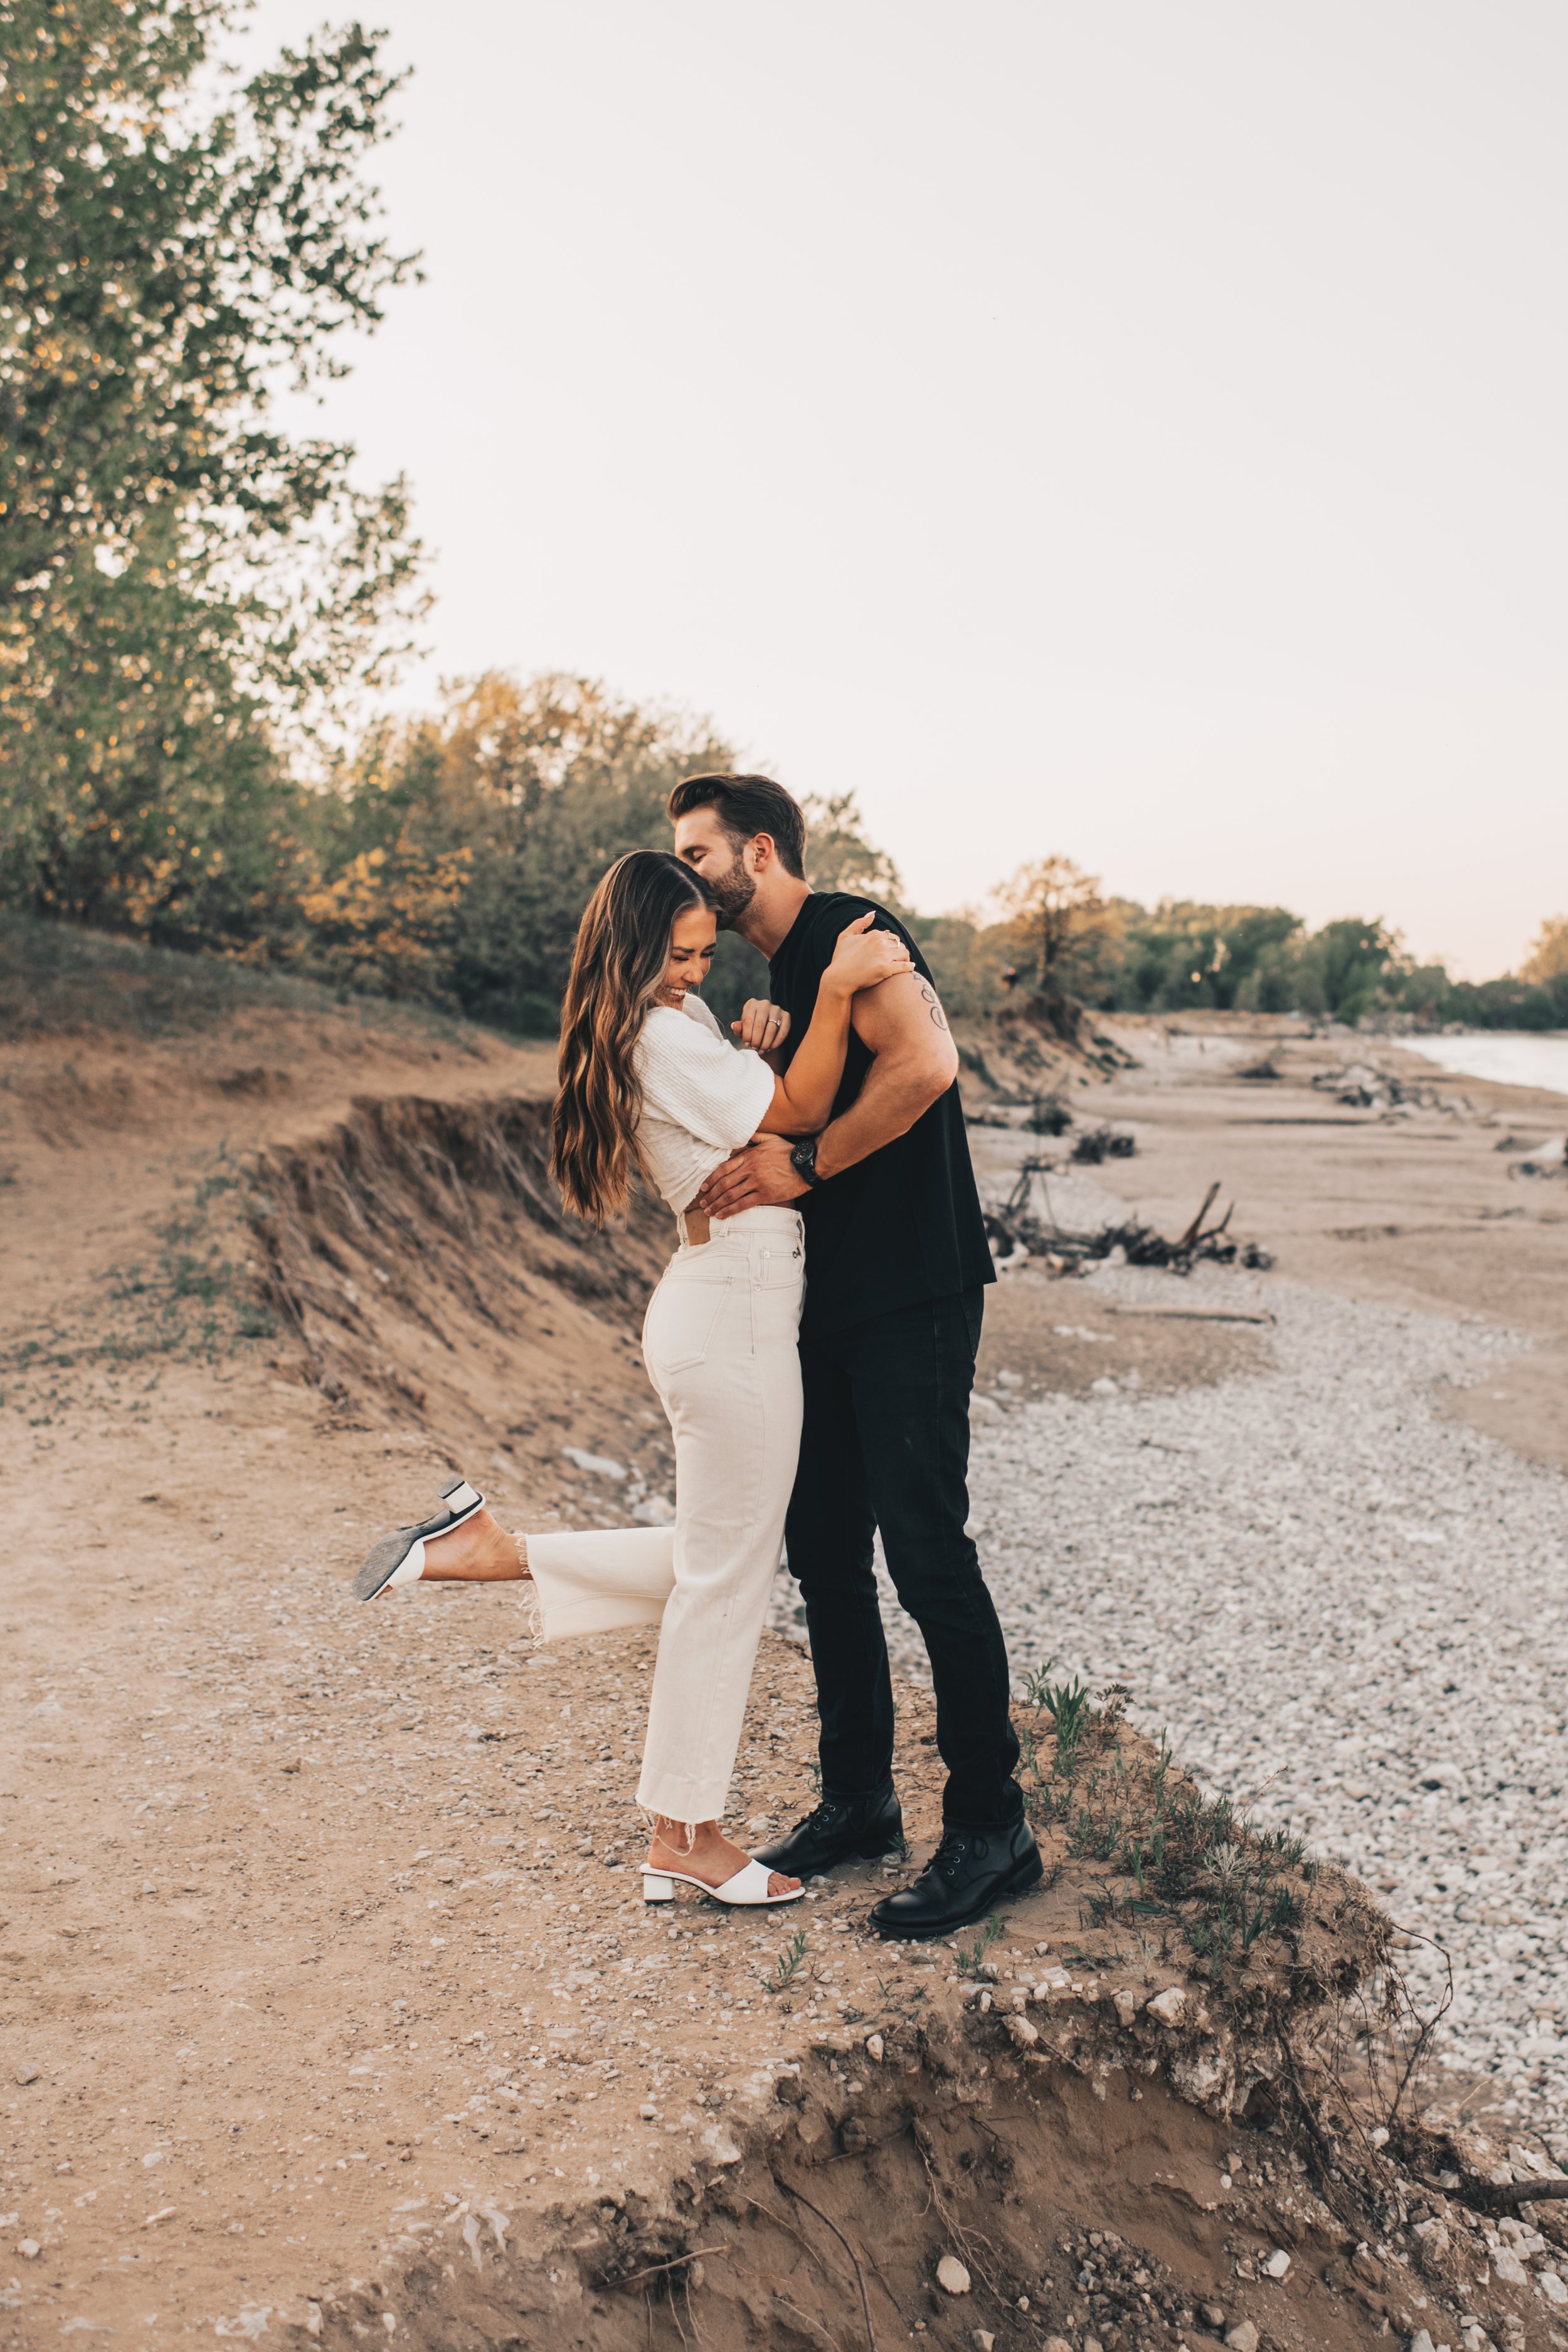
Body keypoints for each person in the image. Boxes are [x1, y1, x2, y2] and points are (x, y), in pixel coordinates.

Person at [352, 848, 911, 1910]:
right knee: (728, 1577)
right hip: (735, 1308)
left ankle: (489, 1552)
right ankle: (683, 1832)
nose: (697, 971)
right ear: (638, 945)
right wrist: (834, 990)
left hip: (725, 1300)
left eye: (707, 954)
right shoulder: (656, 1029)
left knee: (726, 1559)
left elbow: (760, 1086)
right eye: (683, 953)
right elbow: (789, 1114)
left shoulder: (668, 1021)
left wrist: (766, 1028)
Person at [669, 774, 1039, 1939]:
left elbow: (930, 1068)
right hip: (827, 1306)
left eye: (698, 850)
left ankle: (992, 1828)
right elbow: (784, 1101)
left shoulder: (855, 932)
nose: (687, 870)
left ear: (760, 849)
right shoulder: (780, 978)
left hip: (914, 1291)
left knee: (927, 1554)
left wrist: (809, 1164)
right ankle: (861, 1800)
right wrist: (775, 1053)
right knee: (826, 1551)